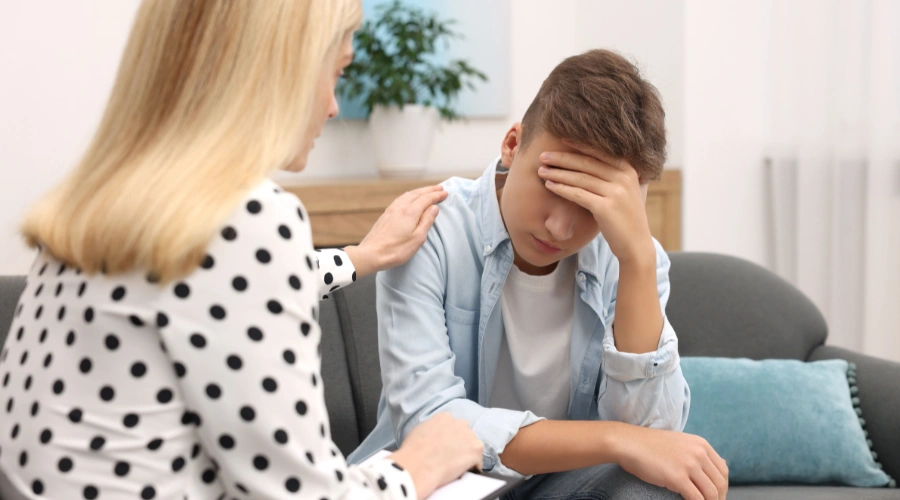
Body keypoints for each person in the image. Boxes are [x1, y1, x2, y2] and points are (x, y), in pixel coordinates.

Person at [0, 1, 484, 499]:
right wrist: (418, 465)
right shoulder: (245, 218)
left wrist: (358, 257)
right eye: (336, 72)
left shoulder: (108, 200)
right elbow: (304, 494)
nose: (333, 106)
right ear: (279, 69)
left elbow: (208, 292)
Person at [349, 49, 730, 500]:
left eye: (591, 205)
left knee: (653, 489)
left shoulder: (630, 260)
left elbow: (655, 436)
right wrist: (615, 440)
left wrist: (638, 262)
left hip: (560, 486)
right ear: (513, 143)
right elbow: (432, 419)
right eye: (552, 184)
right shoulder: (429, 231)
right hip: (436, 484)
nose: (560, 228)